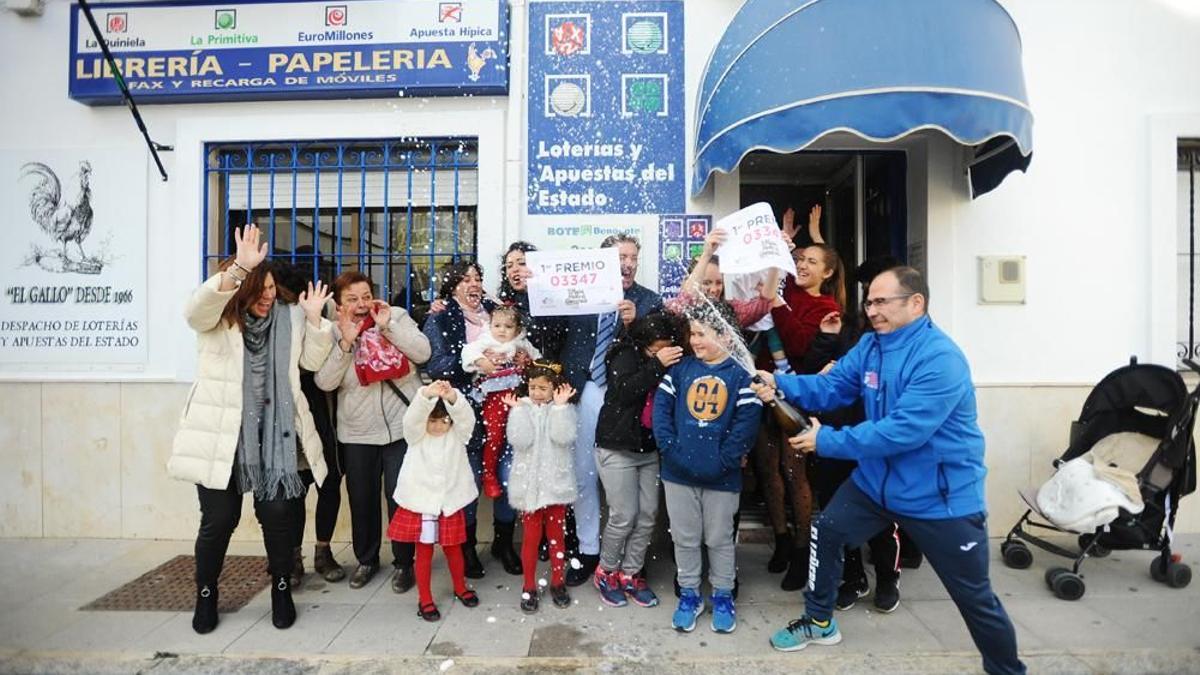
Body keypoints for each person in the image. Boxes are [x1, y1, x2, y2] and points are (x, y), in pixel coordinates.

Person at [755, 267, 1025, 675]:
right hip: (875, 484)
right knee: (826, 529)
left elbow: (903, 431)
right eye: (869, 302)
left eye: (882, 301)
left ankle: (1007, 669)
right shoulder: (871, 345)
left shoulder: (941, 359)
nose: (872, 310)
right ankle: (820, 621)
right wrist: (779, 383)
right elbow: (833, 388)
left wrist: (826, 441)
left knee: (975, 598)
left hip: (941, 498)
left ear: (916, 303)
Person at [169, 224, 333, 634]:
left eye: (272, 289)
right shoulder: (219, 318)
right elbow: (194, 311)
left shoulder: (290, 317)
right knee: (219, 520)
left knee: (278, 514)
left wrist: (314, 322)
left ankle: (280, 588)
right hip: (222, 437)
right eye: (259, 289)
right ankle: (206, 594)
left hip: (276, 438)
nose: (266, 296)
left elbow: (312, 363)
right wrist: (239, 268)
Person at [314, 270, 431, 593]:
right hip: (356, 432)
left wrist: (387, 328)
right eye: (352, 299)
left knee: (401, 498)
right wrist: (347, 343)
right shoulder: (331, 331)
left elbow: (423, 353)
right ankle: (366, 559)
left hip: (400, 427)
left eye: (366, 296)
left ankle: (403, 563)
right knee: (362, 500)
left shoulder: (396, 316)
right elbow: (324, 382)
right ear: (339, 304)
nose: (362, 304)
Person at [560, 233, 663, 586]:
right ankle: (588, 550)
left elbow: (658, 348)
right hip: (584, 389)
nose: (629, 262)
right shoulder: (579, 295)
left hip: (627, 398)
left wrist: (636, 326)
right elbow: (548, 330)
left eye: (634, 256)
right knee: (584, 473)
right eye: (621, 256)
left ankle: (630, 559)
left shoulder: (649, 300)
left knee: (628, 479)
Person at [653, 308, 763, 634]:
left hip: (722, 477)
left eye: (703, 334)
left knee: (719, 539)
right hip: (677, 474)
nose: (695, 341)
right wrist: (671, 451)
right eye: (694, 334)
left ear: (726, 336)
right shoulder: (679, 371)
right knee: (685, 537)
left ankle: (723, 594)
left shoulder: (742, 375)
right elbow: (662, 413)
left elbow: (746, 425)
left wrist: (724, 461)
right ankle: (689, 594)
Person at [423, 261, 522, 577]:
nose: (474, 283)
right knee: (470, 480)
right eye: (465, 279)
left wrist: (520, 355)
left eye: (478, 277)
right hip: (465, 410)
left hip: (506, 407)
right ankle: (465, 548)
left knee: (507, 476)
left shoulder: (498, 311)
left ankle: (503, 542)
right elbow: (435, 364)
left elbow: (525, 333)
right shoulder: (440, 316)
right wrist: (476, 364)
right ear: (453, 287)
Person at [763, 243, 847, 591]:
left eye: (812, 262)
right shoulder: (787, 294)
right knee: (768, 469)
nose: (802, 265)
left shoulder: (827, 308)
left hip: (798, 400)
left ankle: (800, 549)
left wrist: (776, 305)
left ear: (827, 273)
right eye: (799, 259)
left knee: (794, 471)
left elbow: (799, 347)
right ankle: (781, 539)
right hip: (765, 391)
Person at [592, 314, 684, 608]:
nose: (665, 349)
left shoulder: (672, 361)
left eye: (669, 345)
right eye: (659, 345)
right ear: (645, 342)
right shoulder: (624, 354)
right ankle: (606, 571)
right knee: (623, 516)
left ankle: (631, 573)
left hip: (648, 449)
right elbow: (624, 391)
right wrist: (657, 365)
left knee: (647, 516)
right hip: (617, 447)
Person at [264, 261, 344, 587]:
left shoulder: (318, 316)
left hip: (321, 410)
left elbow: (317, 363)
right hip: (290, 414)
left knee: (327, 483)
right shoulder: (268, 321)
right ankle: (297, 555)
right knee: (297, 489)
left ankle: (315, 553)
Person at [386, 381, 481, 622]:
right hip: (423, 501)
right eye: (433, 421)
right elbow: (411, 419)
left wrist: (453, 398)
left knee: (454, 548)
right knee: (425, 551)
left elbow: (467, 419)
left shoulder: (458, 434)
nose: (438, 426)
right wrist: (426, 395)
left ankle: (460, 587)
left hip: (449, 500)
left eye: (444, 421)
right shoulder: (416, 434)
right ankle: (425, 598)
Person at [504, 362, 578, 613]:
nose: (536, 393)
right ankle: (528, 585)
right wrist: (517, 412)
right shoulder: (522, 408)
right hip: (529, 487)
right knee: (530, 539)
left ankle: (558, 581)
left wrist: (559, 408)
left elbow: (563, 437)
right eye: (533, 387)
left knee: (557, 537)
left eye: (543, 388)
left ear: (554, 389)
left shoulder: (564, 409)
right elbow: (520, 440)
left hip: (555, 485)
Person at [461, 305, 541, 499]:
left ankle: (526, 474)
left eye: (508, 326)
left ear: (517, 329)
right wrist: (482, 362)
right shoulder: (486, 341)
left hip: (518, 395)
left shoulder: (522, 343)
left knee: (522, 433)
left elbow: (539, 359)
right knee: (494, 437)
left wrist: (529, 361)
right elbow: (468, 352)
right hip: (494, 396)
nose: (502, 330)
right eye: (497, 325)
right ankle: (489, 475)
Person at [497, 241, 566, 359]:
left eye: (522, 263)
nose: (515, 269)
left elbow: (559, 333)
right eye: (509, 266)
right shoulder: (503, 306)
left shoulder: (555, 300)